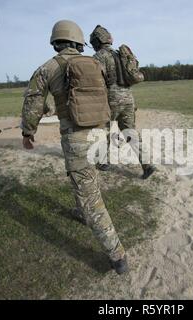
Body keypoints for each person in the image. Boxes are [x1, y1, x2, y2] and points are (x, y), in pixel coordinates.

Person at [21, 20, 128, 275]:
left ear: (56, 42)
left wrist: (28, 131)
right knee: (84, 180)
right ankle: (82, 211)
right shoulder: (95, 64)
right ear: (79, 42)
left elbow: (34, 101)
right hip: (101, 134)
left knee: (91, 198)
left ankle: (118, 256)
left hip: (77, 138)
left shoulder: (48, 68)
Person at [89, 25, 156, 180]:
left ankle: (103, 162)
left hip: (110, 99)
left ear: (97, 41)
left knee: (102, 130)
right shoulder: (120, 55)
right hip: (128, 98)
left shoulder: (99, 57)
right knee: (130, 132)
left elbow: (94, 80)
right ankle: (147, 165)